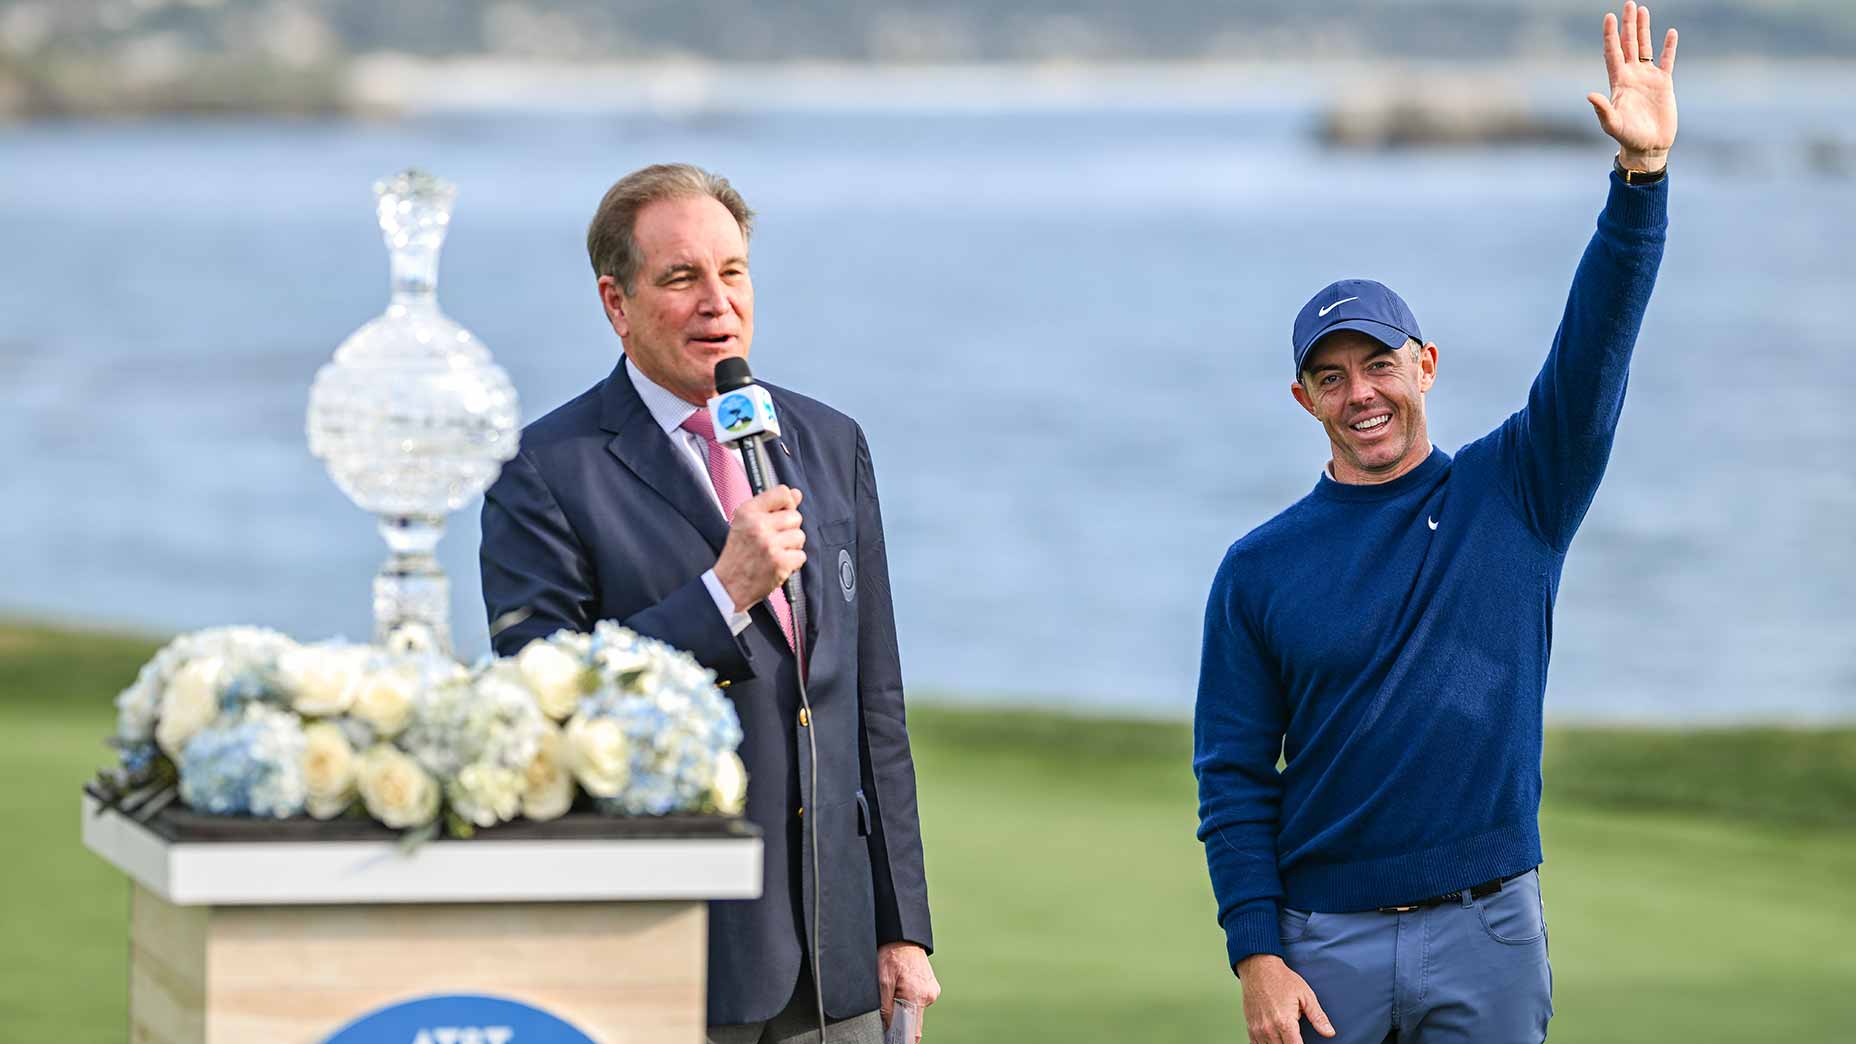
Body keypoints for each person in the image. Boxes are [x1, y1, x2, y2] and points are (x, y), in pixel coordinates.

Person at [1192, 5, 1677, 1042]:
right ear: (1302, 402)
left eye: (1378, 364)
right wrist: (1256, 954)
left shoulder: (1518, 490)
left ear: (1425, 366)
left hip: (1488, 934)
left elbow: (1593, 349)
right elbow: (1232, 775)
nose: (1359, 392)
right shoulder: (1256, 569)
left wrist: (1638, 184)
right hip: (1323, 944)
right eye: (1330, 378)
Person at [479, 163, 939, 1043]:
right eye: (681, 277)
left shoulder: (827, 440)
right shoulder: (546, 468)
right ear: (617, 303)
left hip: (834, 958)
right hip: (666, 950)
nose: (716, 303)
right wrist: (720, 594)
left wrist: (902, 927)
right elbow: (535, 698)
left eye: (732, 273)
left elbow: (872, 703)